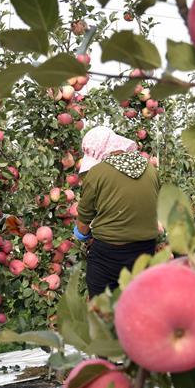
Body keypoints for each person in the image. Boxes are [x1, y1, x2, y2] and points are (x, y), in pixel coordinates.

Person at [75, 125, 160, 298]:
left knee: (102, 312)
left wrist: (81, 234)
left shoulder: (97, 173)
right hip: (145, 253)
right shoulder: (151, 170)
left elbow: (83, 224)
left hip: (108, 256)